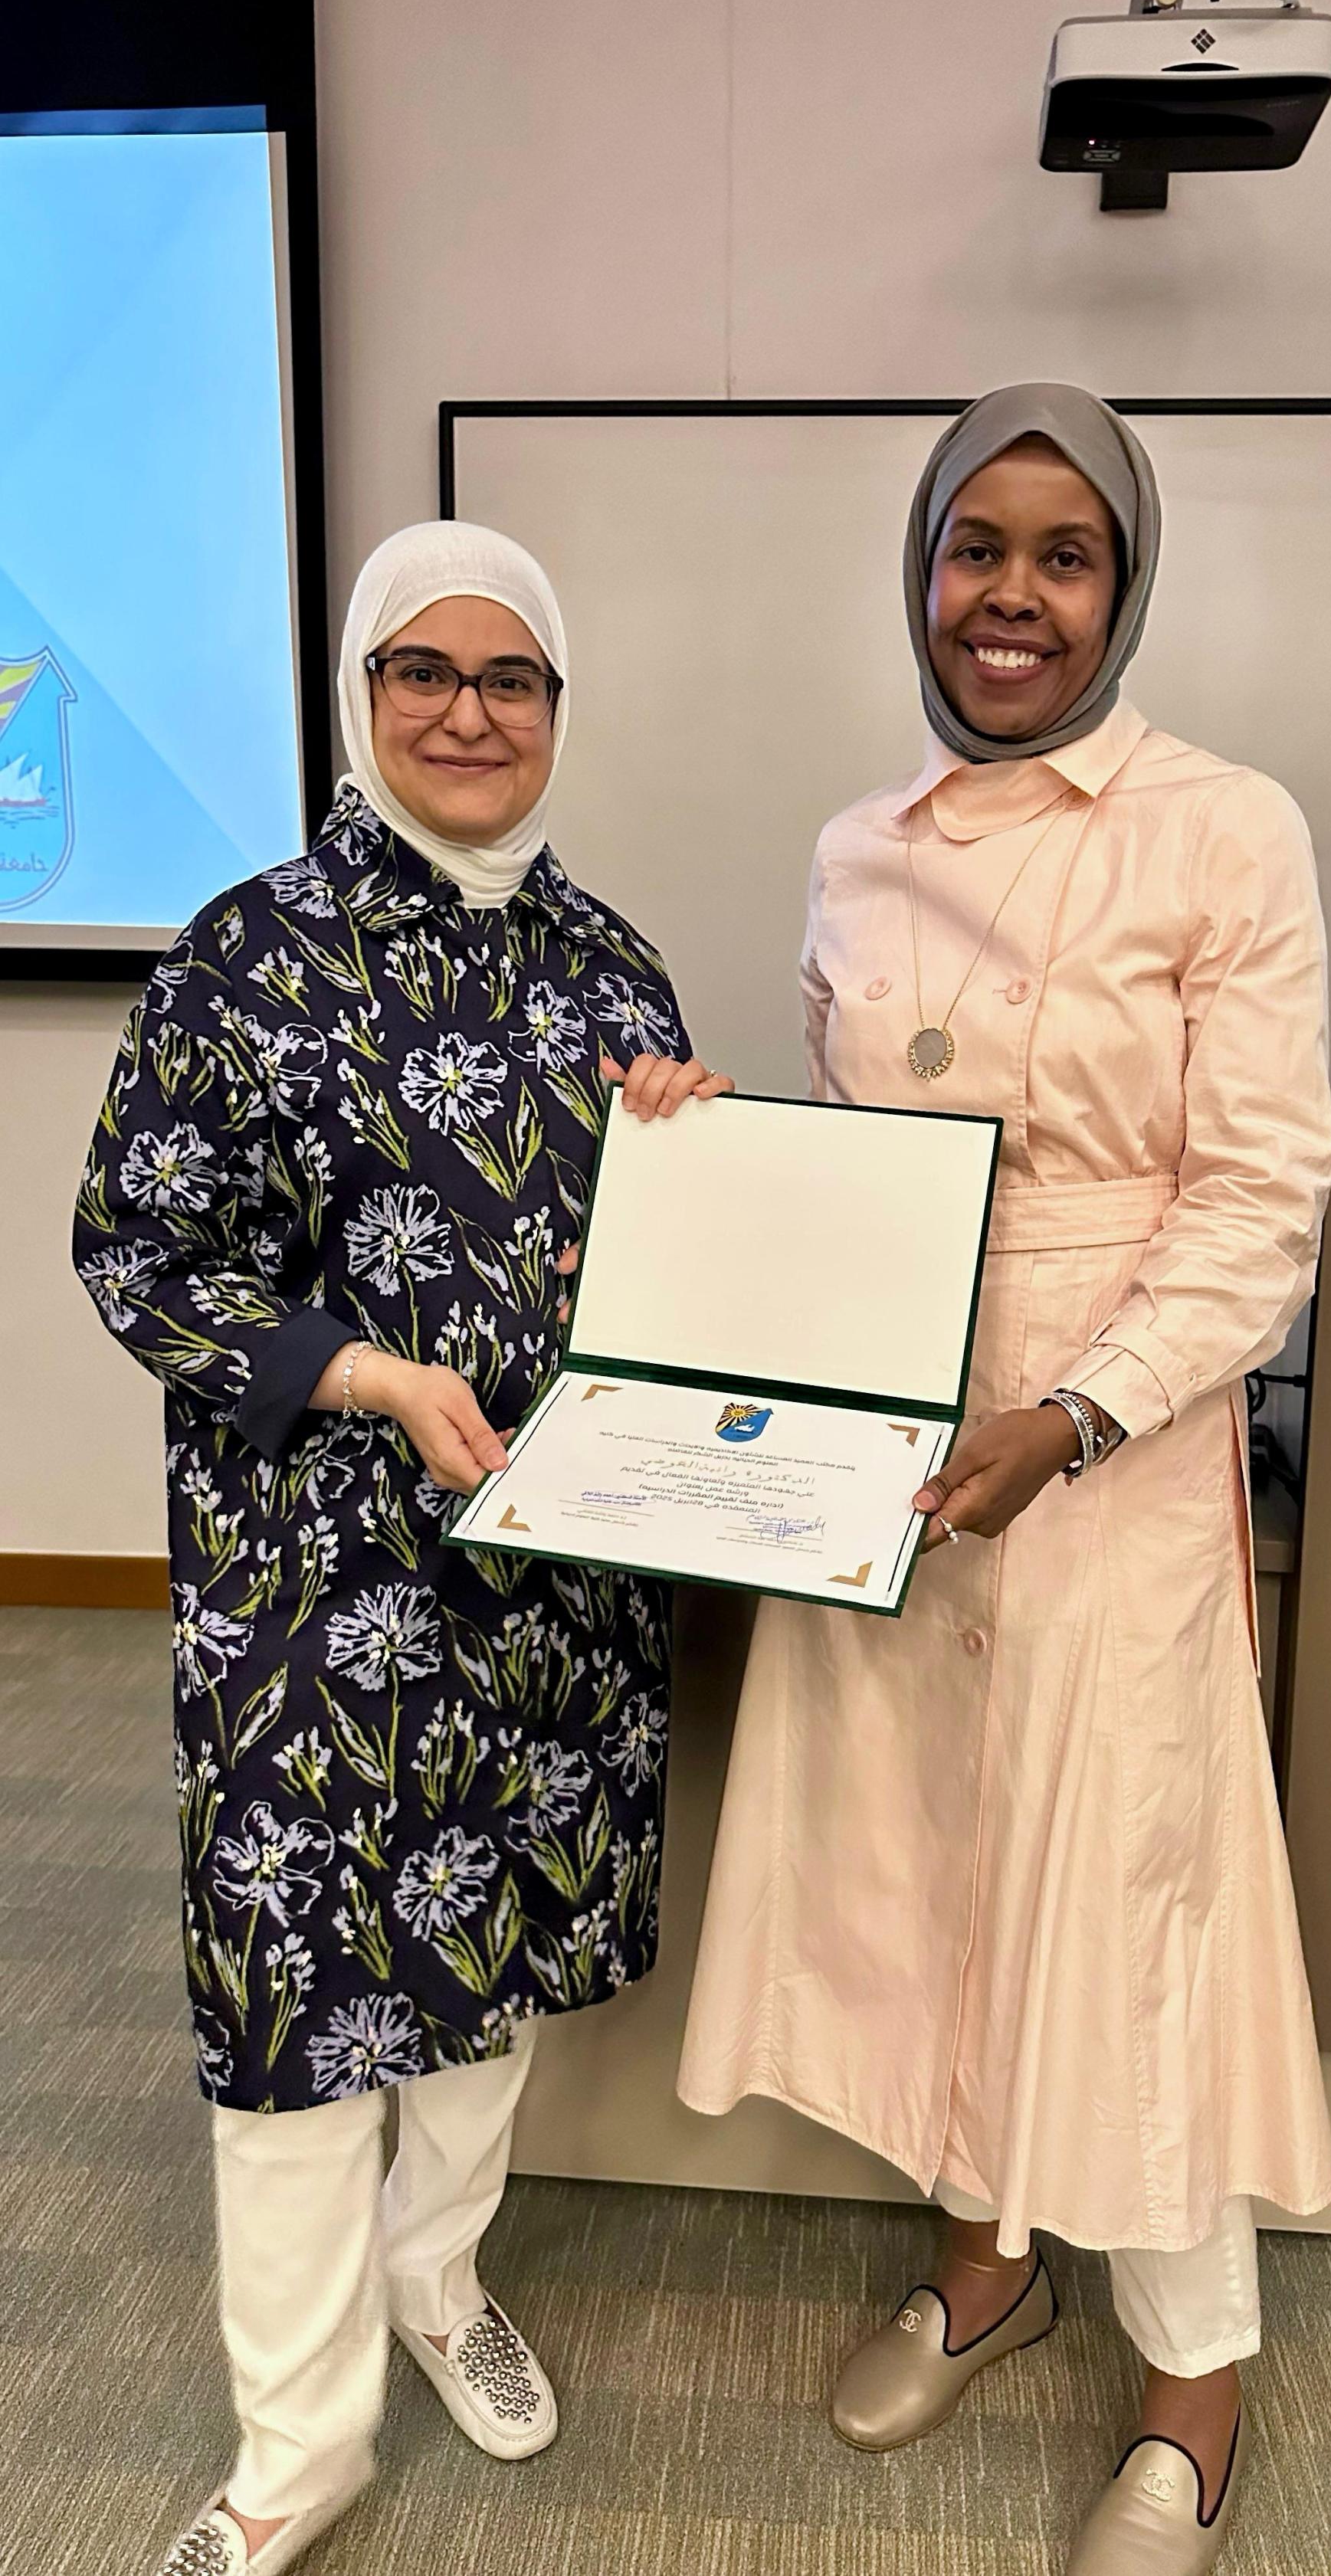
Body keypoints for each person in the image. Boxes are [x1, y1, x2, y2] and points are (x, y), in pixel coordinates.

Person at [678, 386, 1331, 2574]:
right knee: (928, 1861)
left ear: (1123, 588)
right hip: (897, 1427)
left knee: (1129, 1897)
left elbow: (1260, 1200)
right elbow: (851, 1159)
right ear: (924, 572)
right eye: (981, 548)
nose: (1015, 596)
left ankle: (1193, 2382)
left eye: (1068, 555)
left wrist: (1079, 1413)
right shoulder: (858, 841)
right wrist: (705, 1152)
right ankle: (986, 2264)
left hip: (1113, 1442)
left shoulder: (1224, 829)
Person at [74, 520, 731, 2576]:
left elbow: (667, 1279)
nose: (467, 712)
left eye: (509, 676)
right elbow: (136, 1253)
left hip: (555, 1574)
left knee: (493, 1946)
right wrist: (362, 1373)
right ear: (362, 696)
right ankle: (298, 2452)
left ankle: (439, 2276)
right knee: (295, 2009)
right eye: (422, 672)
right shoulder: (244, 954)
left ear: (554, 710)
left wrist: (700, 1159)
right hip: (312, 1583)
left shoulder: (615, 966)